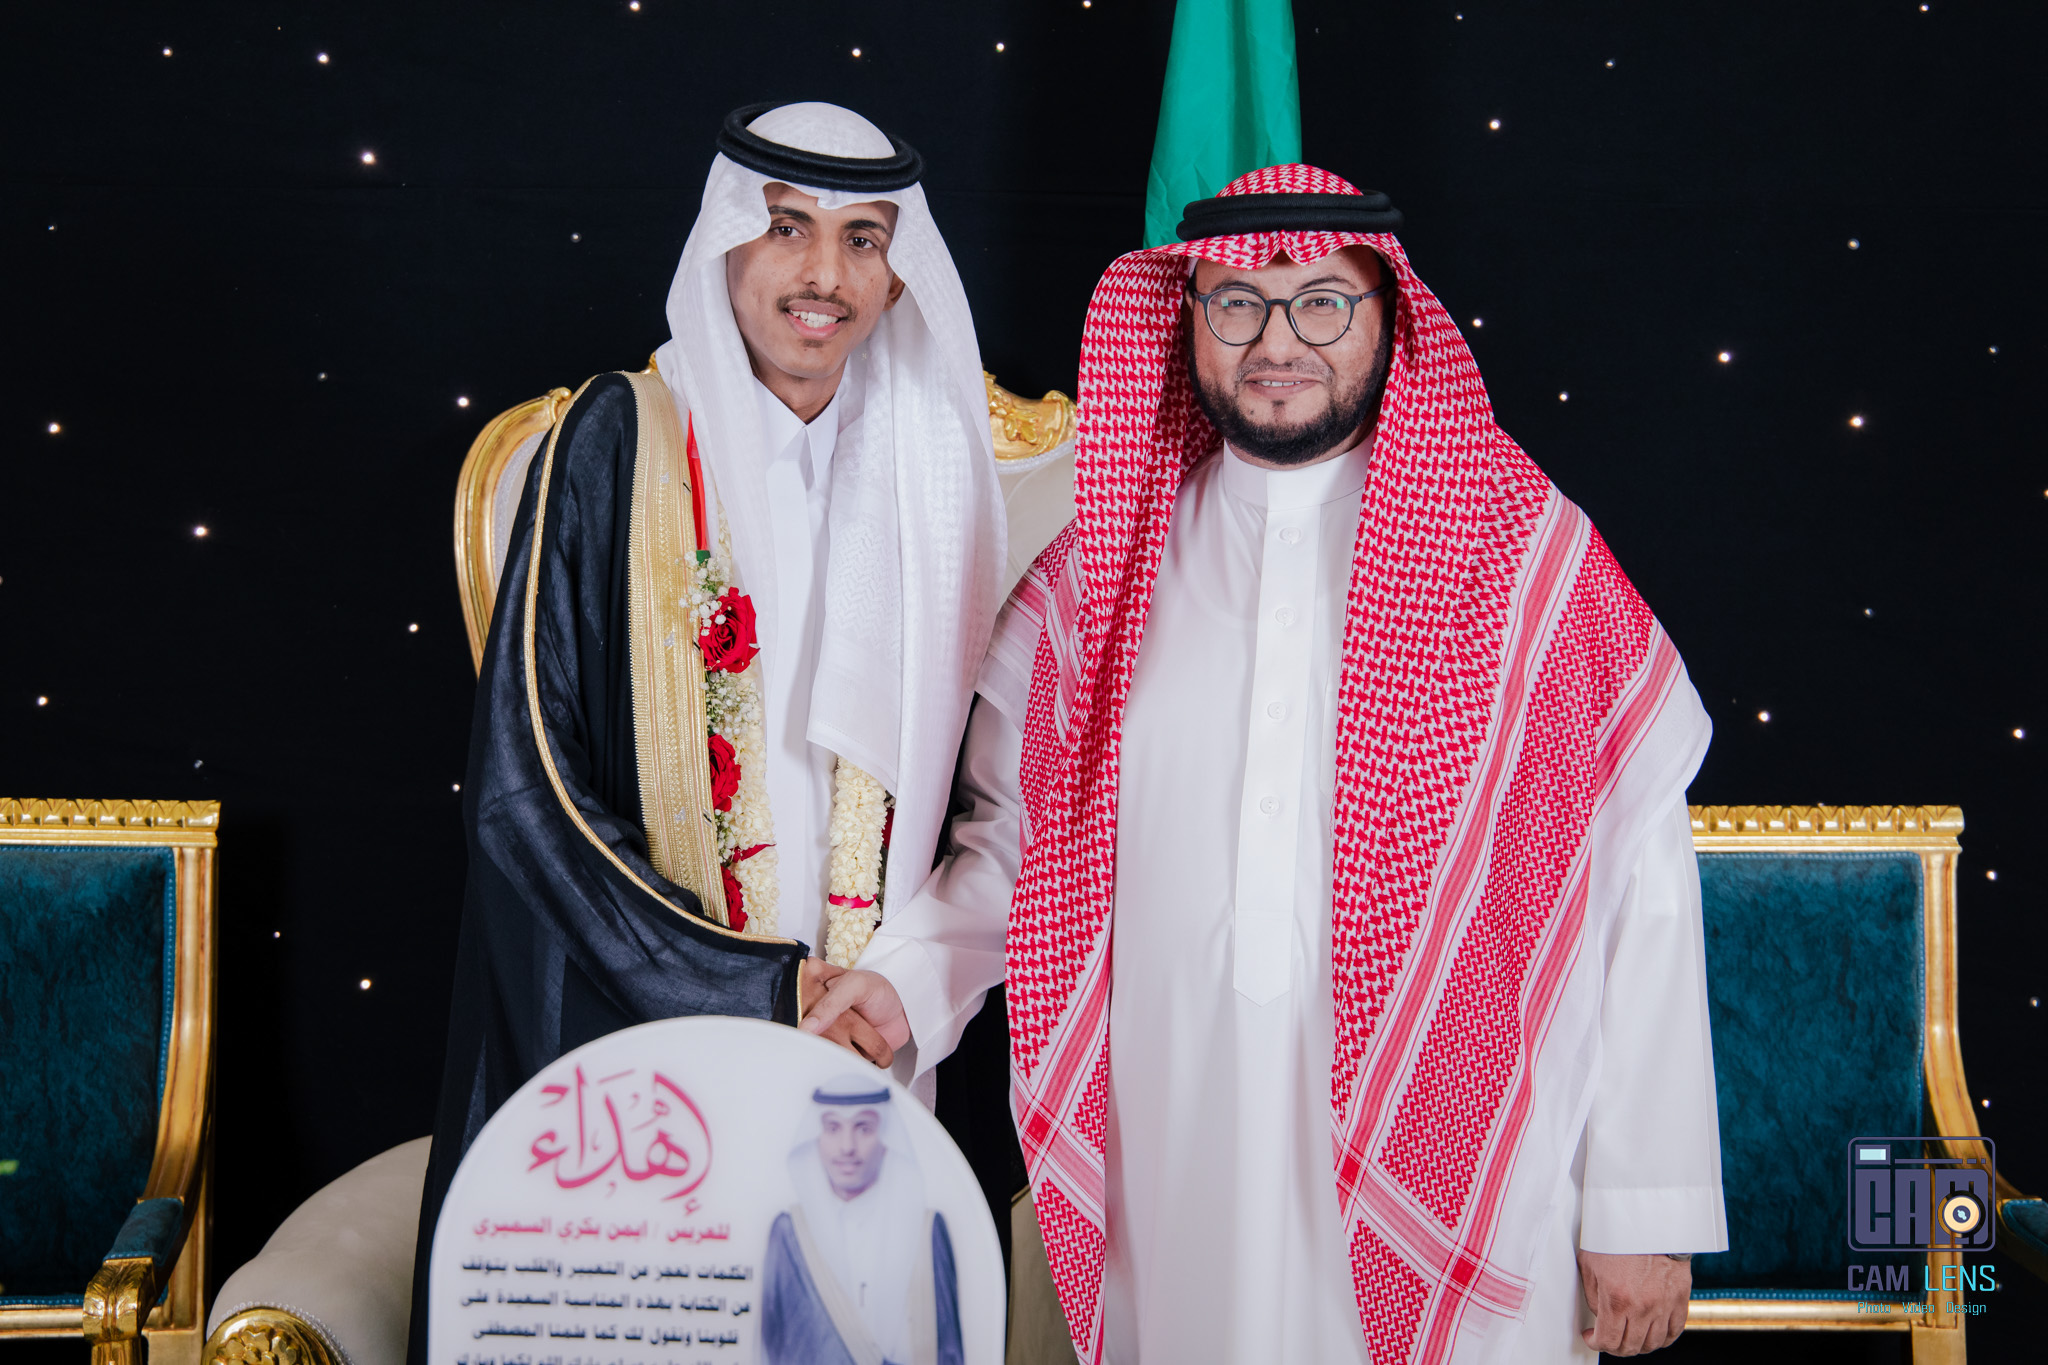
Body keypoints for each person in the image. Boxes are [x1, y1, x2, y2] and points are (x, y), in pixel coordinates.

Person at [802, 165, 1727, 1362]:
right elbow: (1022, 854)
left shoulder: (1520, 559)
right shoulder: (1098, 577)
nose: (1276, 342)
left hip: (1470, 1157)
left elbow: (1639, 876)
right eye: (1236, 302)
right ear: (1187, 320)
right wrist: (905, 986)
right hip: (1177, 1149)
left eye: (1321, 303)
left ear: (1387, 319)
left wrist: (1642, 1204)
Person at [407, 102, 1003, 1362]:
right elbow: (525, 792)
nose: (822, 274)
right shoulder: (613, 444)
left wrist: (900, 989)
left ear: (900, 272)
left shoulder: (936, 473)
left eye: (861, 238)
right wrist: (751, 988)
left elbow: (1003, 804)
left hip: (875, 1062)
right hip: (641, 1055)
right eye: (785, 228)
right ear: (726, 239)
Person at [764, 1079, 964, 1365]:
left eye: (864, 1128)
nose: (847, 1147)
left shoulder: (926, 1230)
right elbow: (771, 1345)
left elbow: (950, 1349)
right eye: (833, 1128)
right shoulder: (789, 1231)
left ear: (886, 1139)